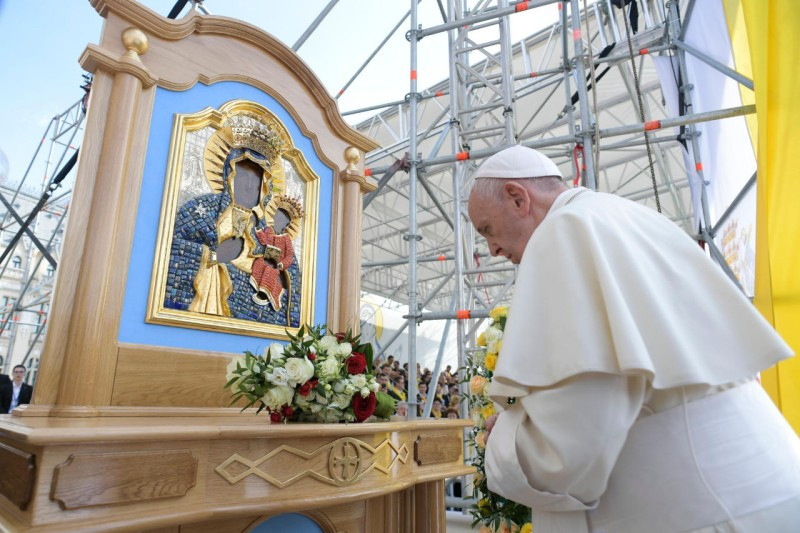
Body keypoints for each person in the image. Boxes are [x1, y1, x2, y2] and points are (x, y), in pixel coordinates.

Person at [468, 145, 800, 532]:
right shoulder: (624, 215)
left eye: (487, 230)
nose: (492, 249)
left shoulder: (564, 231)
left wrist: (502, 441)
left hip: (706, 511)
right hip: (754, 488)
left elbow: (571, 443)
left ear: (517, 197)